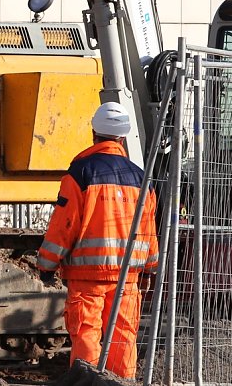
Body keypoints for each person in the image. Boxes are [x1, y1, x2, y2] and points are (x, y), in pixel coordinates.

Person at [37, 102, 158, 379]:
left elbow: (64, 226)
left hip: (87, 276)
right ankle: (123, 383)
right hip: (127, 276)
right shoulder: (141, 178)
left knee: (86, 334)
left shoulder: (80, 174)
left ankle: (88, 383)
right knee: (123, 336)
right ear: (124, 137)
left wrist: (46, 264)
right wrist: (149, 268)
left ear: (94, 132)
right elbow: (149, 228)